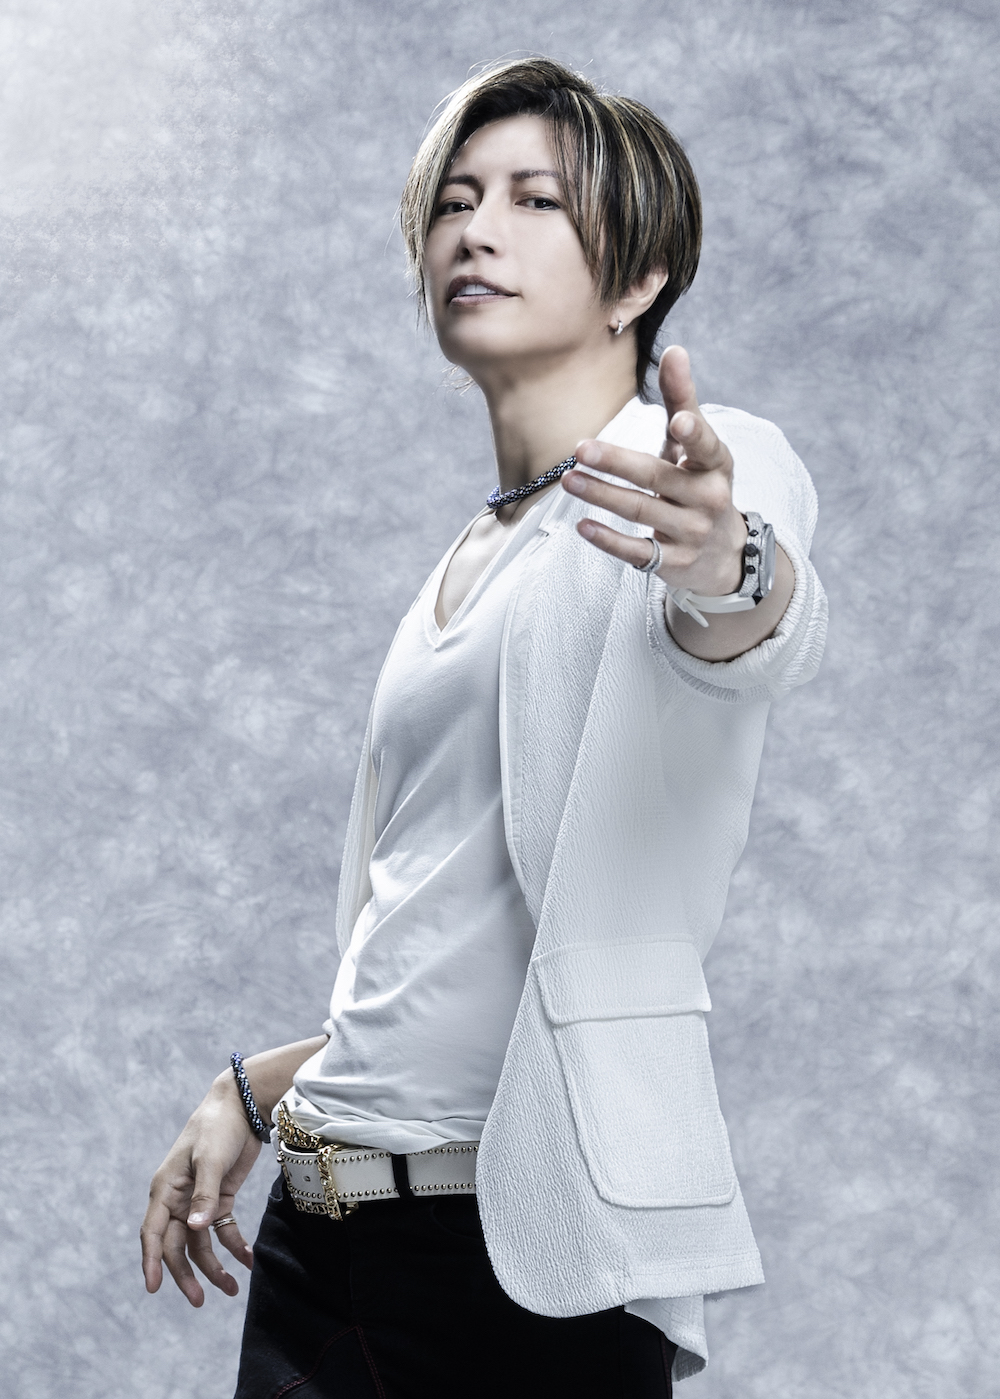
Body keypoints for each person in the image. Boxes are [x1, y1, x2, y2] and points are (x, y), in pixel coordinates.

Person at [141, 57, 827, 1397]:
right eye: (456, 201)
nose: (477, 229)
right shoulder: (467, 559)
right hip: (320, 1244)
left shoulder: (697, 465)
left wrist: (730, 562)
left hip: (525, 1264)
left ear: (637, 280)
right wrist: (252, 1091)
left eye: (534, 200)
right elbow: (450, 957)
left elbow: (755, 617)